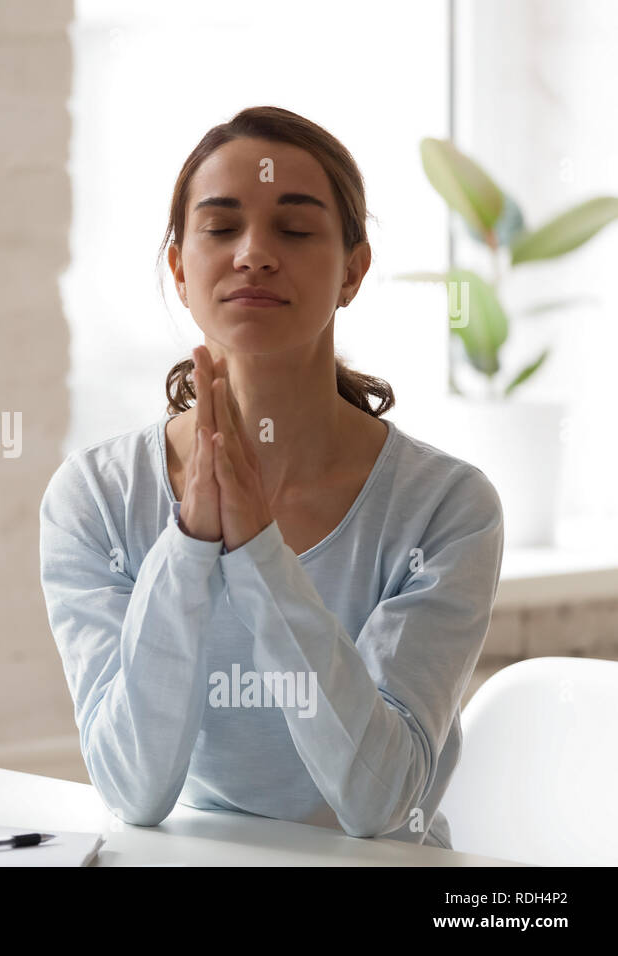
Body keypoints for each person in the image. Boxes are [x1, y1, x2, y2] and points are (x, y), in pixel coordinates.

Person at [38, 106, 504, 848]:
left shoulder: (446, 508)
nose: (255, 253)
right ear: (180, 267)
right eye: (221, 228)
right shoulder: (93, 499)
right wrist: (190, 545)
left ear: (353, 270)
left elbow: (376, 800)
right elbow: (133, 789)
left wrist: (258, 554)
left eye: (294, 229)